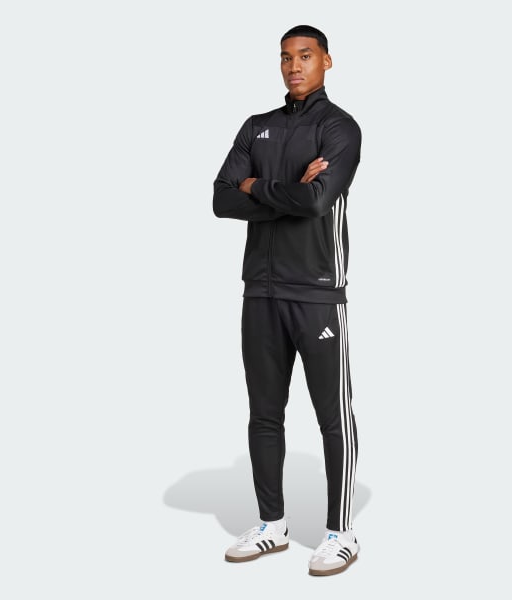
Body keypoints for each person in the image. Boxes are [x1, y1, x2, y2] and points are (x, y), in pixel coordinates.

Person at [212, 24, 362, 577]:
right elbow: (221, 199)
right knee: (264, 415)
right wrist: (287, 189)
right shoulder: (257, 127)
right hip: (261, 291)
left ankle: (341, 532)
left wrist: (256, 186)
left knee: (332, 417)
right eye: (285, 58)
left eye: (305, 56)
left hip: (317, 292)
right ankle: (271, 525)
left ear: (326, 61)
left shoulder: (339, 128)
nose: (294, 66)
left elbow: (319, 200)